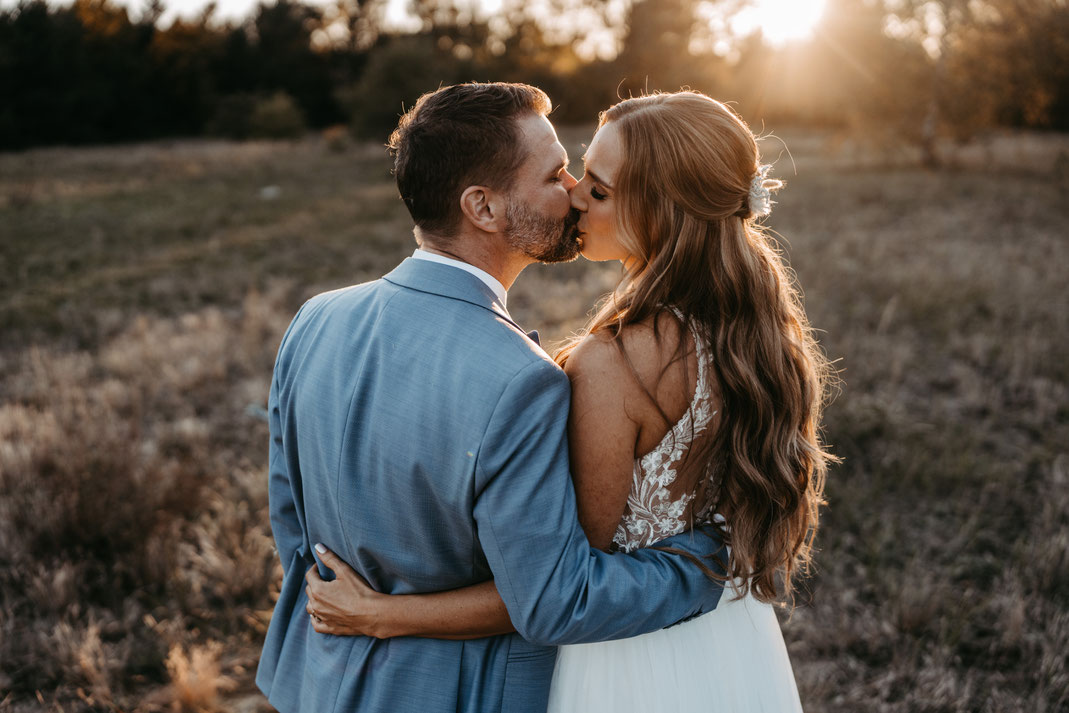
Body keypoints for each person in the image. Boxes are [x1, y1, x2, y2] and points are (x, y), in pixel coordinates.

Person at [305, 91, 836, 712]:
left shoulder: (614, 363)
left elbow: (560, 591)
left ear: (662, 213)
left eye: (599, 189)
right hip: (732, 648)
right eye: (575, 173)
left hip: (626, 665)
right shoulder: (758, 335)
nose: (576, 194)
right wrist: (720, 560)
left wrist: (385, 614)